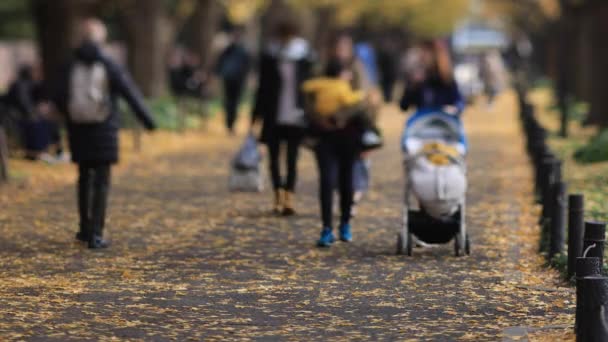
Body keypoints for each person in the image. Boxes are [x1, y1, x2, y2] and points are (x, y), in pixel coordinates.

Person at [52, 18, 156, 249]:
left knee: (84, 177)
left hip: (78, 127)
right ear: (102, 38)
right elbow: (129, 92)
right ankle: (96, 234)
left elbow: (58, 95)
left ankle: (84, 229)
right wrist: (148, 120)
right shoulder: (109, 63)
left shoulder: (70, 63)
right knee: (102, 180)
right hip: (103, 128)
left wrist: (68, 115)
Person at [309, 33, 373, 247]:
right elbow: (310, 99)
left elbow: (363, 100)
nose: (340, 51)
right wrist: (320, 119)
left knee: (347, 181)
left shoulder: (357, 70)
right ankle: (326, 227)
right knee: (326, 180)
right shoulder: (320, 69)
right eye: (337, 47)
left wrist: (341, 117)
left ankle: (345, 222)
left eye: (344, 47)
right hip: (324, 134)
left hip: (350, 133)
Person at [251, 20, 313, 216]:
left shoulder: (304, 57)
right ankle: (277, 193)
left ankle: (289, 195)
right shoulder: (269, 56)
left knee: (293, 159)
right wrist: (255, 116)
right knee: (274, 158)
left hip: (296, 116)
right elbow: (262, 88)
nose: (286, 40)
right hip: (273, 115)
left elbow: (310, 88)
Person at [400, 40, 464, 114]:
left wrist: (455, 108)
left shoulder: (446, 78)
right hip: (422, 120)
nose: (423, 55)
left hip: (444, 120)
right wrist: (412, 87)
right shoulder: (417, 78)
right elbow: (404, 106)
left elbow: (459, 101)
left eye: (427, 52)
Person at [216, 27, 251, 134]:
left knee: (232, 101)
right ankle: (230, 122)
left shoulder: (233, 49)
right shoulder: (239, 50)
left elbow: (220, 63)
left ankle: (230, 122)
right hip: (233, 79)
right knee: (232, 101)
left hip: (233, 79)